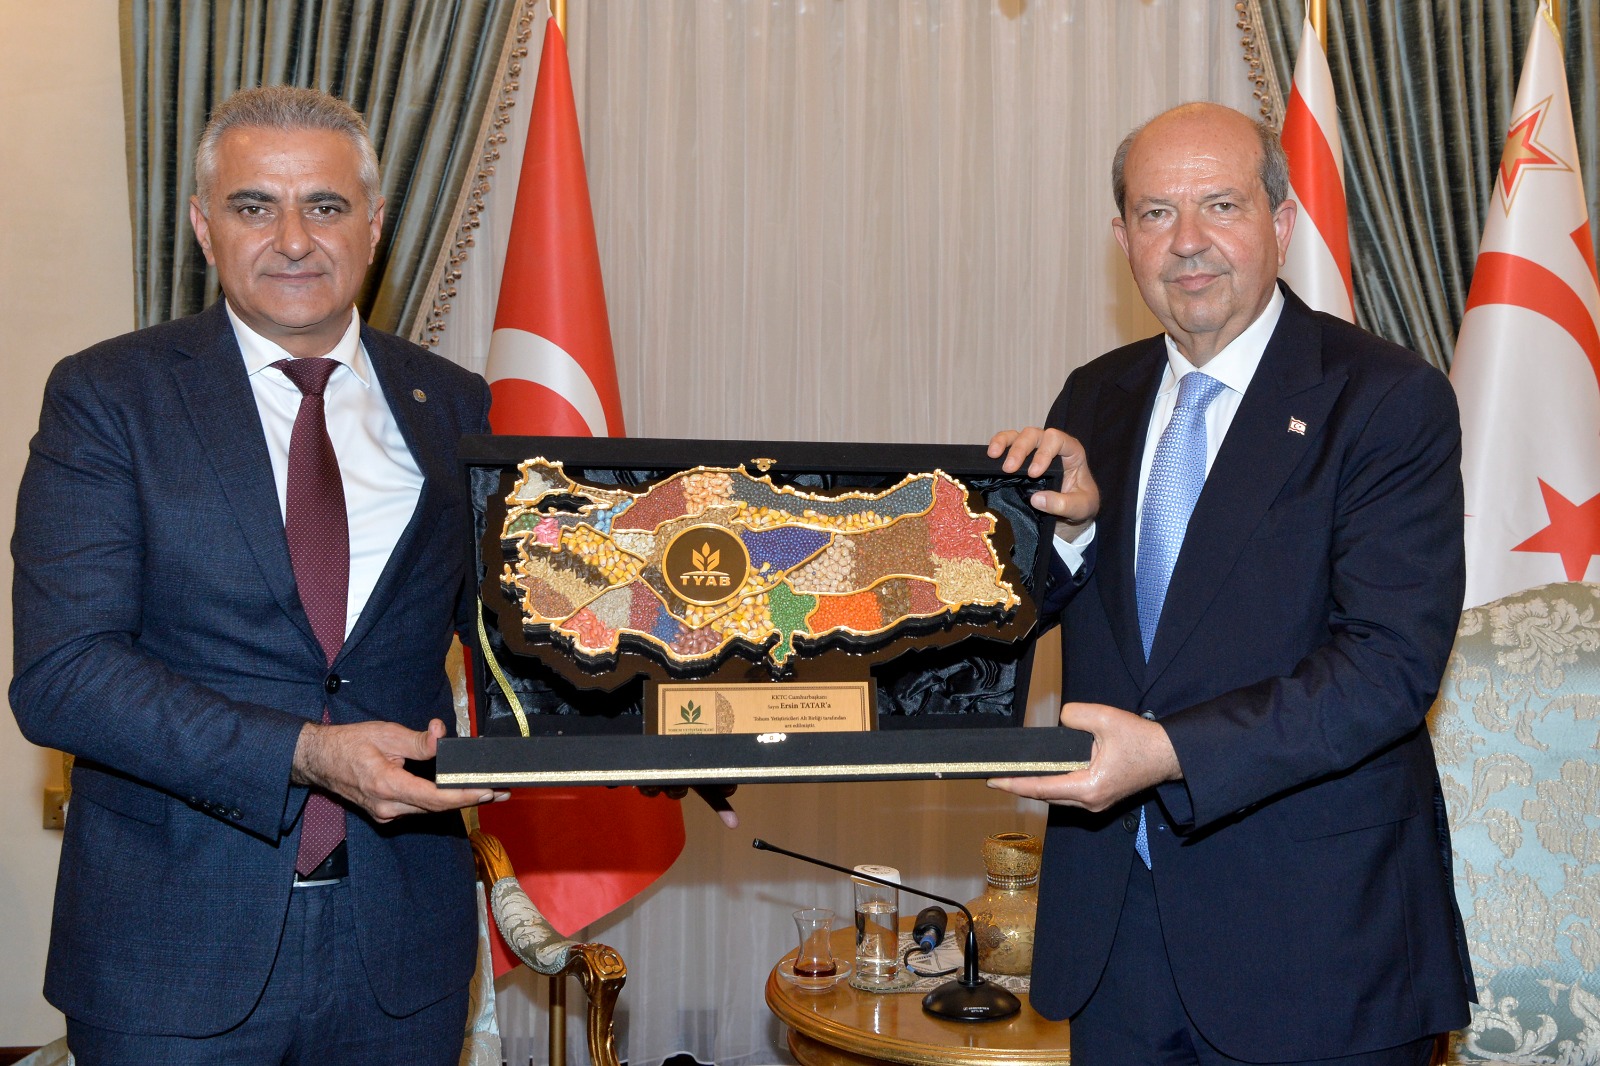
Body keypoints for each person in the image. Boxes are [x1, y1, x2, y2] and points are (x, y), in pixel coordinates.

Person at [10, 86, 503, 1064]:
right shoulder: (108, 397)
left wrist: (665, 733)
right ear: (204, 226)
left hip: (401, 951)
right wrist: (307, 753)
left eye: (324, 205)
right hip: (170, 951)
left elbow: (510, 640)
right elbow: (65, 674)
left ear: (373, 224)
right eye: (253, 206)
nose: (294, 240)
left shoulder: (452, 403)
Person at [988, 102, 1474, 1065]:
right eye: (1155, 213)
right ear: (1122, 239)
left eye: (1220, 205)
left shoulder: (1386, 399)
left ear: (1281, 222)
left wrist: (1172, 751)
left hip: (1318, 945)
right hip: (1115, 941)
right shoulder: (1094, 396)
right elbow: (1033, 620)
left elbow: (1388, 666)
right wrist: (1068, 537)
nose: (1188, 241)